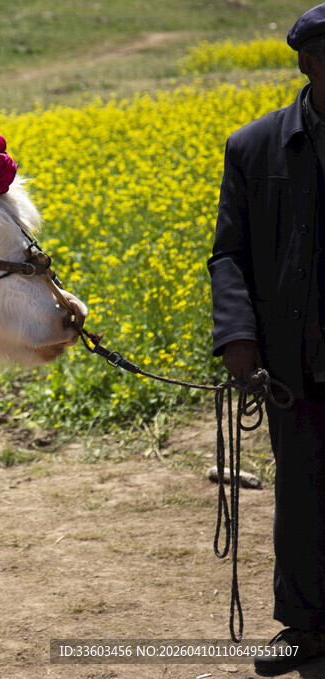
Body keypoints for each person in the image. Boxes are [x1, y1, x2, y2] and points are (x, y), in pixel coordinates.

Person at [209, 4, 325, 676]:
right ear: (308, 62)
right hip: (295, 360)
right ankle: (306, 627)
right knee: (302, 494)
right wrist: (239, 339)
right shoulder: (254, 148)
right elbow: (230, 255)